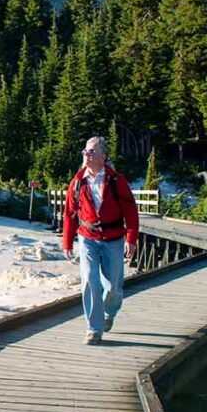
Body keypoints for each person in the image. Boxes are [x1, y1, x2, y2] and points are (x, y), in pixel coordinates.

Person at [62, 136, 139, 344]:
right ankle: (93, 329)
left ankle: (108, 314)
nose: (87, 155)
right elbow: (69, 214)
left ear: (104, 156)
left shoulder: (116, 181)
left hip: (114, 238)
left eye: (92, 151)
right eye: (85, 151)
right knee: (89, 281)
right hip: (87, 238)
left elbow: (131, 211)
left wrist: (131, 239)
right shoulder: (78, 181)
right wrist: (67, 243)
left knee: (113, 287)